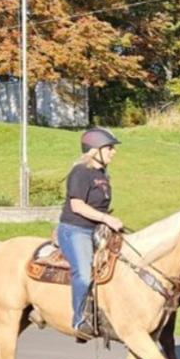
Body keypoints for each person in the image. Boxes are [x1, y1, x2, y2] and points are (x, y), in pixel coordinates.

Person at [56, 127, 124, 341]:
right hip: (76, 229)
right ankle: (79, 320)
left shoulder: (102, 174)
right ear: (94, 150)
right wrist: (106, 219)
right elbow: (77, 206)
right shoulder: (80, 172)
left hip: (97, 230)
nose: (114, 152)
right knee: (84, 274)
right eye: (110, 148)